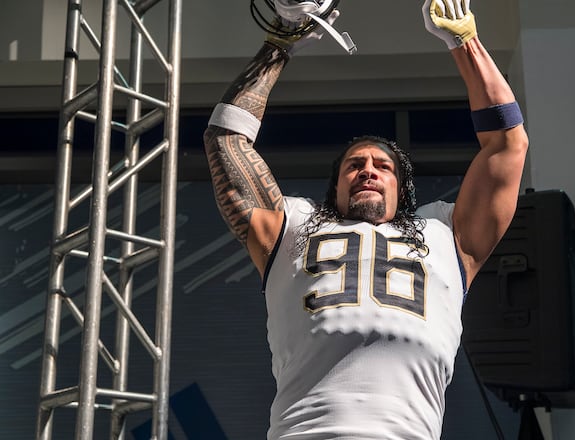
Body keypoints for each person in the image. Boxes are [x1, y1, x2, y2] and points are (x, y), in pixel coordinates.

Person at [203, 0, 529, 438]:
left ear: (402, 189)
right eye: (354, 165)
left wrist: (465, 41)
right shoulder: (295, 226)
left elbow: (507, 145)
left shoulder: (446, 235)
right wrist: (281, 40)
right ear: (335, 187)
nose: (368, 171)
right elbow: (226, 141)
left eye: (383, 166)